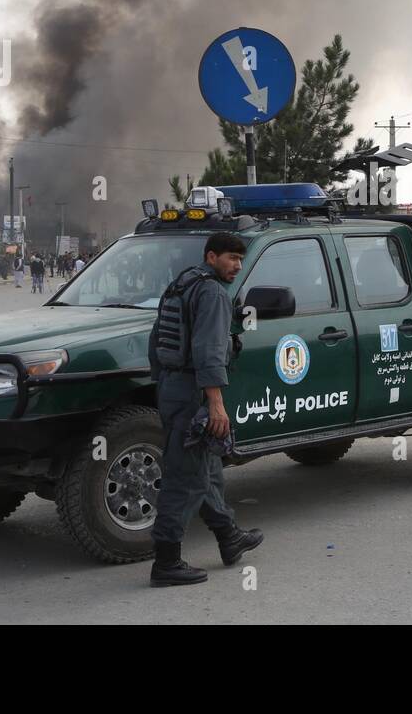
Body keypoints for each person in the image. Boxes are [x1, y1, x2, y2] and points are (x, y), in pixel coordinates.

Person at [148, 232, 262, 586]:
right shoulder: (212, 292)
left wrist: (166, 384)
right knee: (185, 478)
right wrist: (215, 403)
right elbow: (209, 351)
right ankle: (166, 562)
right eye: (231, 258)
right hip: (194, 392)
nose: (237, 266)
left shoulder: (181, 283)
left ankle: (229, 537)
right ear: (211, 257)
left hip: (172, 386)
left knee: (207, 469)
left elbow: (157, 341)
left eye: (241, 259)